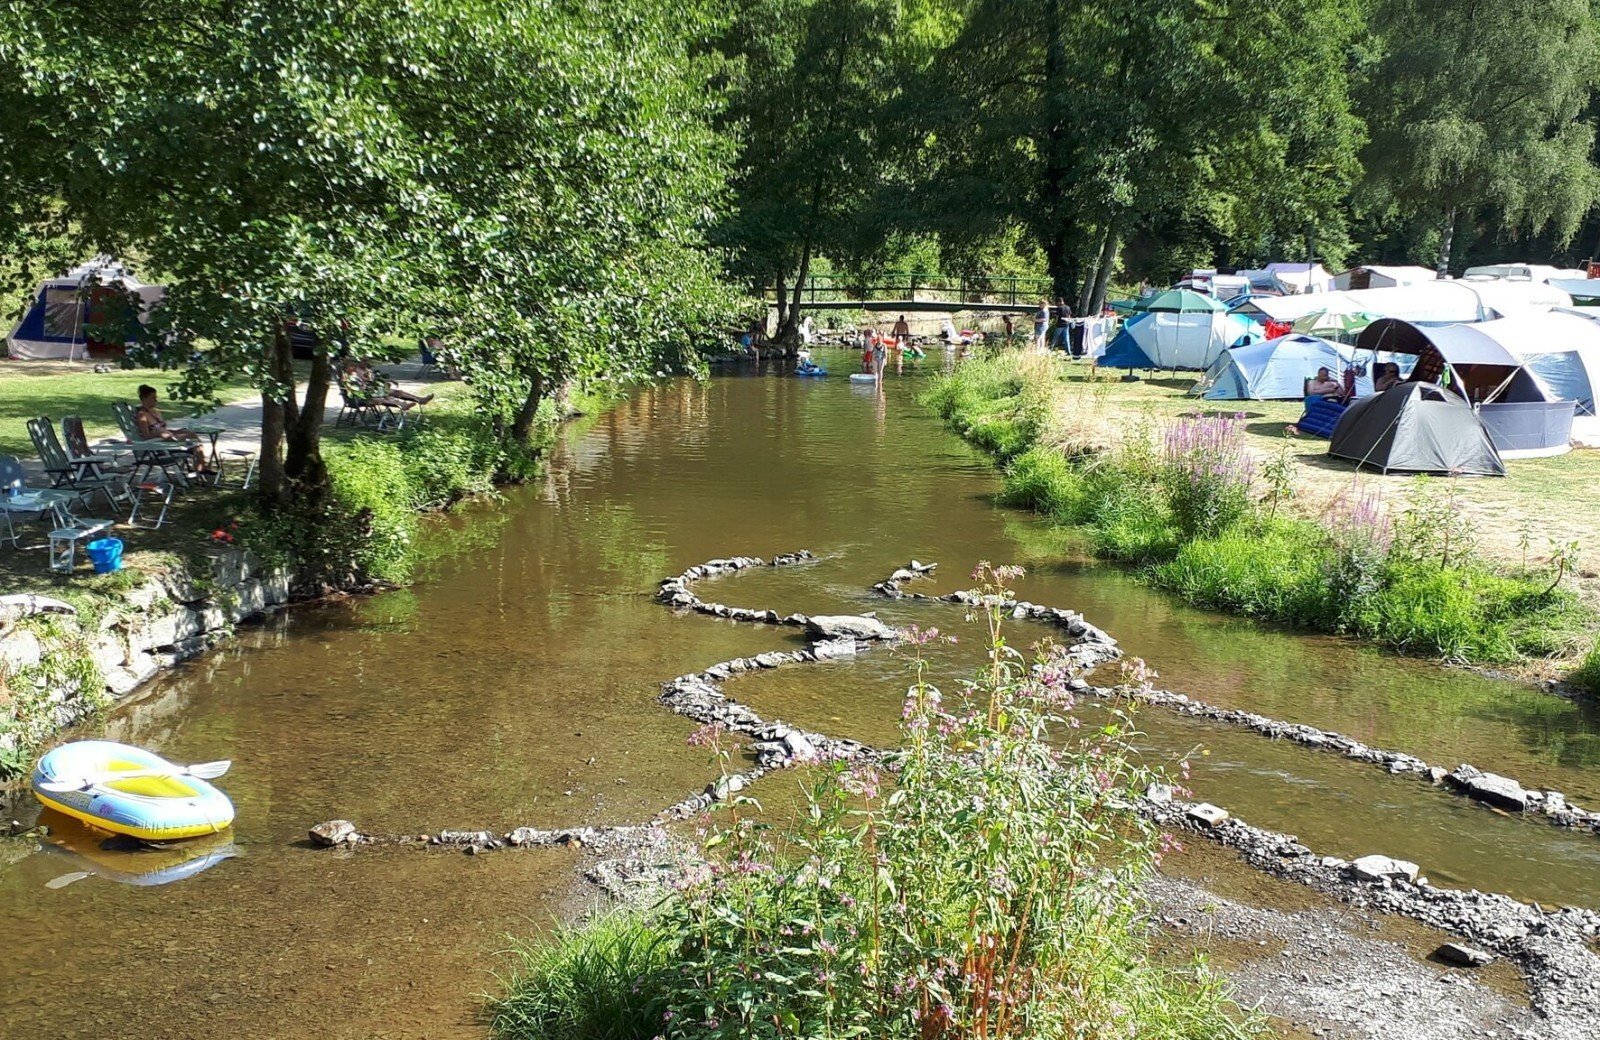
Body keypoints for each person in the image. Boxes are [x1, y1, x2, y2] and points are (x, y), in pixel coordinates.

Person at [134, 384, 211, 473]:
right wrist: (160, 434)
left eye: (156, 397)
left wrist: (175, 431)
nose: (156, 400)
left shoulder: (155, 412)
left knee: (191, 437)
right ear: (144, 398)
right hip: (158, 445)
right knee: (193, 438)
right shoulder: (142, 415)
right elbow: (146, 436)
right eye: (153, 398)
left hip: (167, 439)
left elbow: (164, 430)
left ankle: (201, 467)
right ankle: (201, 468)